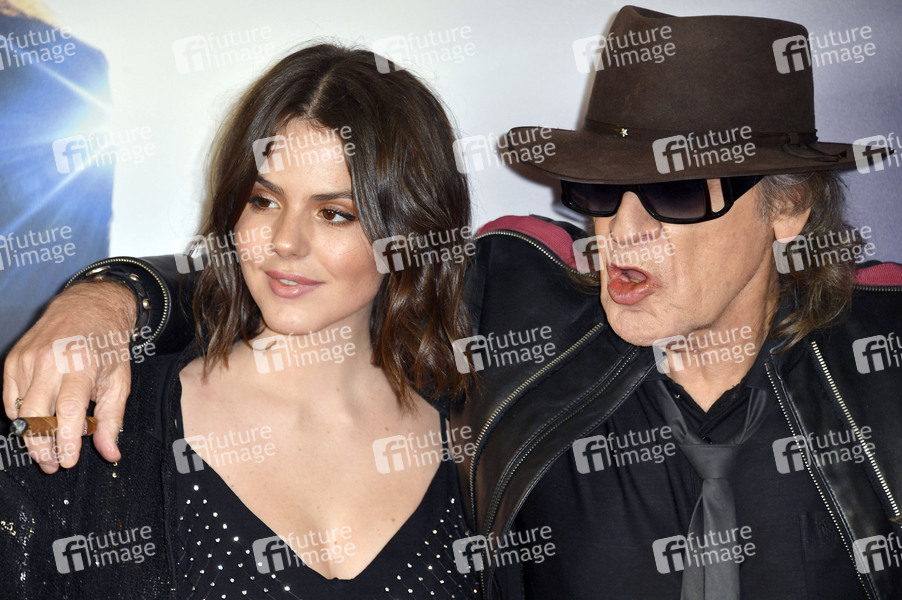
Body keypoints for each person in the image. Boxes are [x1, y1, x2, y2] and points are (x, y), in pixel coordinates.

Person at [5, 6, 902, 600]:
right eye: (597, 191)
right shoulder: (518, 304)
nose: (617, 235)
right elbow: (291, 281)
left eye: (672, 194)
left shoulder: (881, 371)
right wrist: (108, 300)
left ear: (788, 208)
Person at [0, 43, 480, 599]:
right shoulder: (98, 421)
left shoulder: (481, 438)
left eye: (334, 213)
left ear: (409, 231)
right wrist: (102, 298)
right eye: (263, 201)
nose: (285, 242)